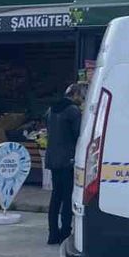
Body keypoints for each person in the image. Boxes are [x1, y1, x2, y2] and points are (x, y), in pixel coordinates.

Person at [45, 82, 84, 245]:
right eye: (81, 96)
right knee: (67, 197)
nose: (82, 100)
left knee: (56, 196)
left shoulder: (50, 110)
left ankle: (53, 233)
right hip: (68, 159)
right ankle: (65, 231)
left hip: (53, 158)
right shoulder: (73, 111)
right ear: (75, 94)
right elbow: (79, 135)